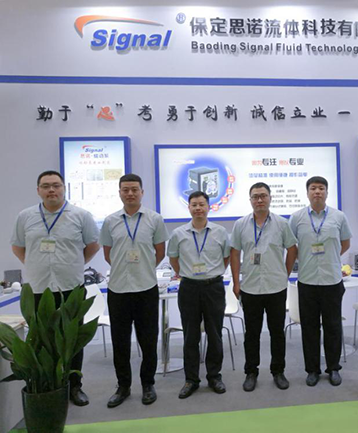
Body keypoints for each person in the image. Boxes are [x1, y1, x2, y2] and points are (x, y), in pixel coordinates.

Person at [11, 170, 100, 406]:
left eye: (56, 185)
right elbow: (17, 246)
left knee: (72, 339)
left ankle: (74, 387)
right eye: (46, 186)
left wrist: (74, 265)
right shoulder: (25, 216)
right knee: (41, 338)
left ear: (64, 188)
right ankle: (48, 386)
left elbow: (93, 245)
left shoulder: (81, 216)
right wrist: (33, 265)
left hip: (71, 286)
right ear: (38, 190)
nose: (51, 190)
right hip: (38, 288)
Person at [100, 174, 169, 408]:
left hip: (146, 288)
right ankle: (123, 386)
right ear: (119, 192)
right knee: (120, 342)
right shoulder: (110, 221)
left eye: (134, 189)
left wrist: (142, 269)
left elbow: (160, 252)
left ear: (142, 192)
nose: (130, 193)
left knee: (148, 341)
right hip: (118, 289)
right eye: (125, 190)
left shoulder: (154, 219)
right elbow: (108, 254)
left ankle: (148, 384)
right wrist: (125, 269)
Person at [230, 182, 297, 392]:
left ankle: (278, 371)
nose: (259, 200)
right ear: (250, 200)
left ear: (270, 198)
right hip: (250, 287)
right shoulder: (240, 224)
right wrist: (236, 282)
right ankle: (251, 372)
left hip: (276, 287)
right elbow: (234, 253)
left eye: (263, 196)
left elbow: (292, 250)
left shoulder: (282, 224)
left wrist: (284, 273)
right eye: (255, 196)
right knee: (252, 333)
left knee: (277, 332)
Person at [289, 176, 352, 387]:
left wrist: (330, 258)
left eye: (321, 188)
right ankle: (312, 370)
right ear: (307, 193)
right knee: (310, 328)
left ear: (327, 192)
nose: (317, 191)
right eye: (313, 188)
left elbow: (345, 243)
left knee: (333, 326)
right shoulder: (296, 218)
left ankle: (333, 368)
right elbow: (291, 247)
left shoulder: (338, 216)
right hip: (307, 280)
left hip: (331, 280)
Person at [167, 191, 231, 399]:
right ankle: (191, 380)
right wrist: (187, 273)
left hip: (213, 287)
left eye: (202, 204)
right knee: (190, 336)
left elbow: (226, 258)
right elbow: (173, 259)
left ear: (209, 207)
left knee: (215, 334)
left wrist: (212, 273)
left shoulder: (220, 232)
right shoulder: (178, 234)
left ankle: (214, 376)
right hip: (189, 288)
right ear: (189, 208)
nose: (198, 208)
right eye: (194, 205)